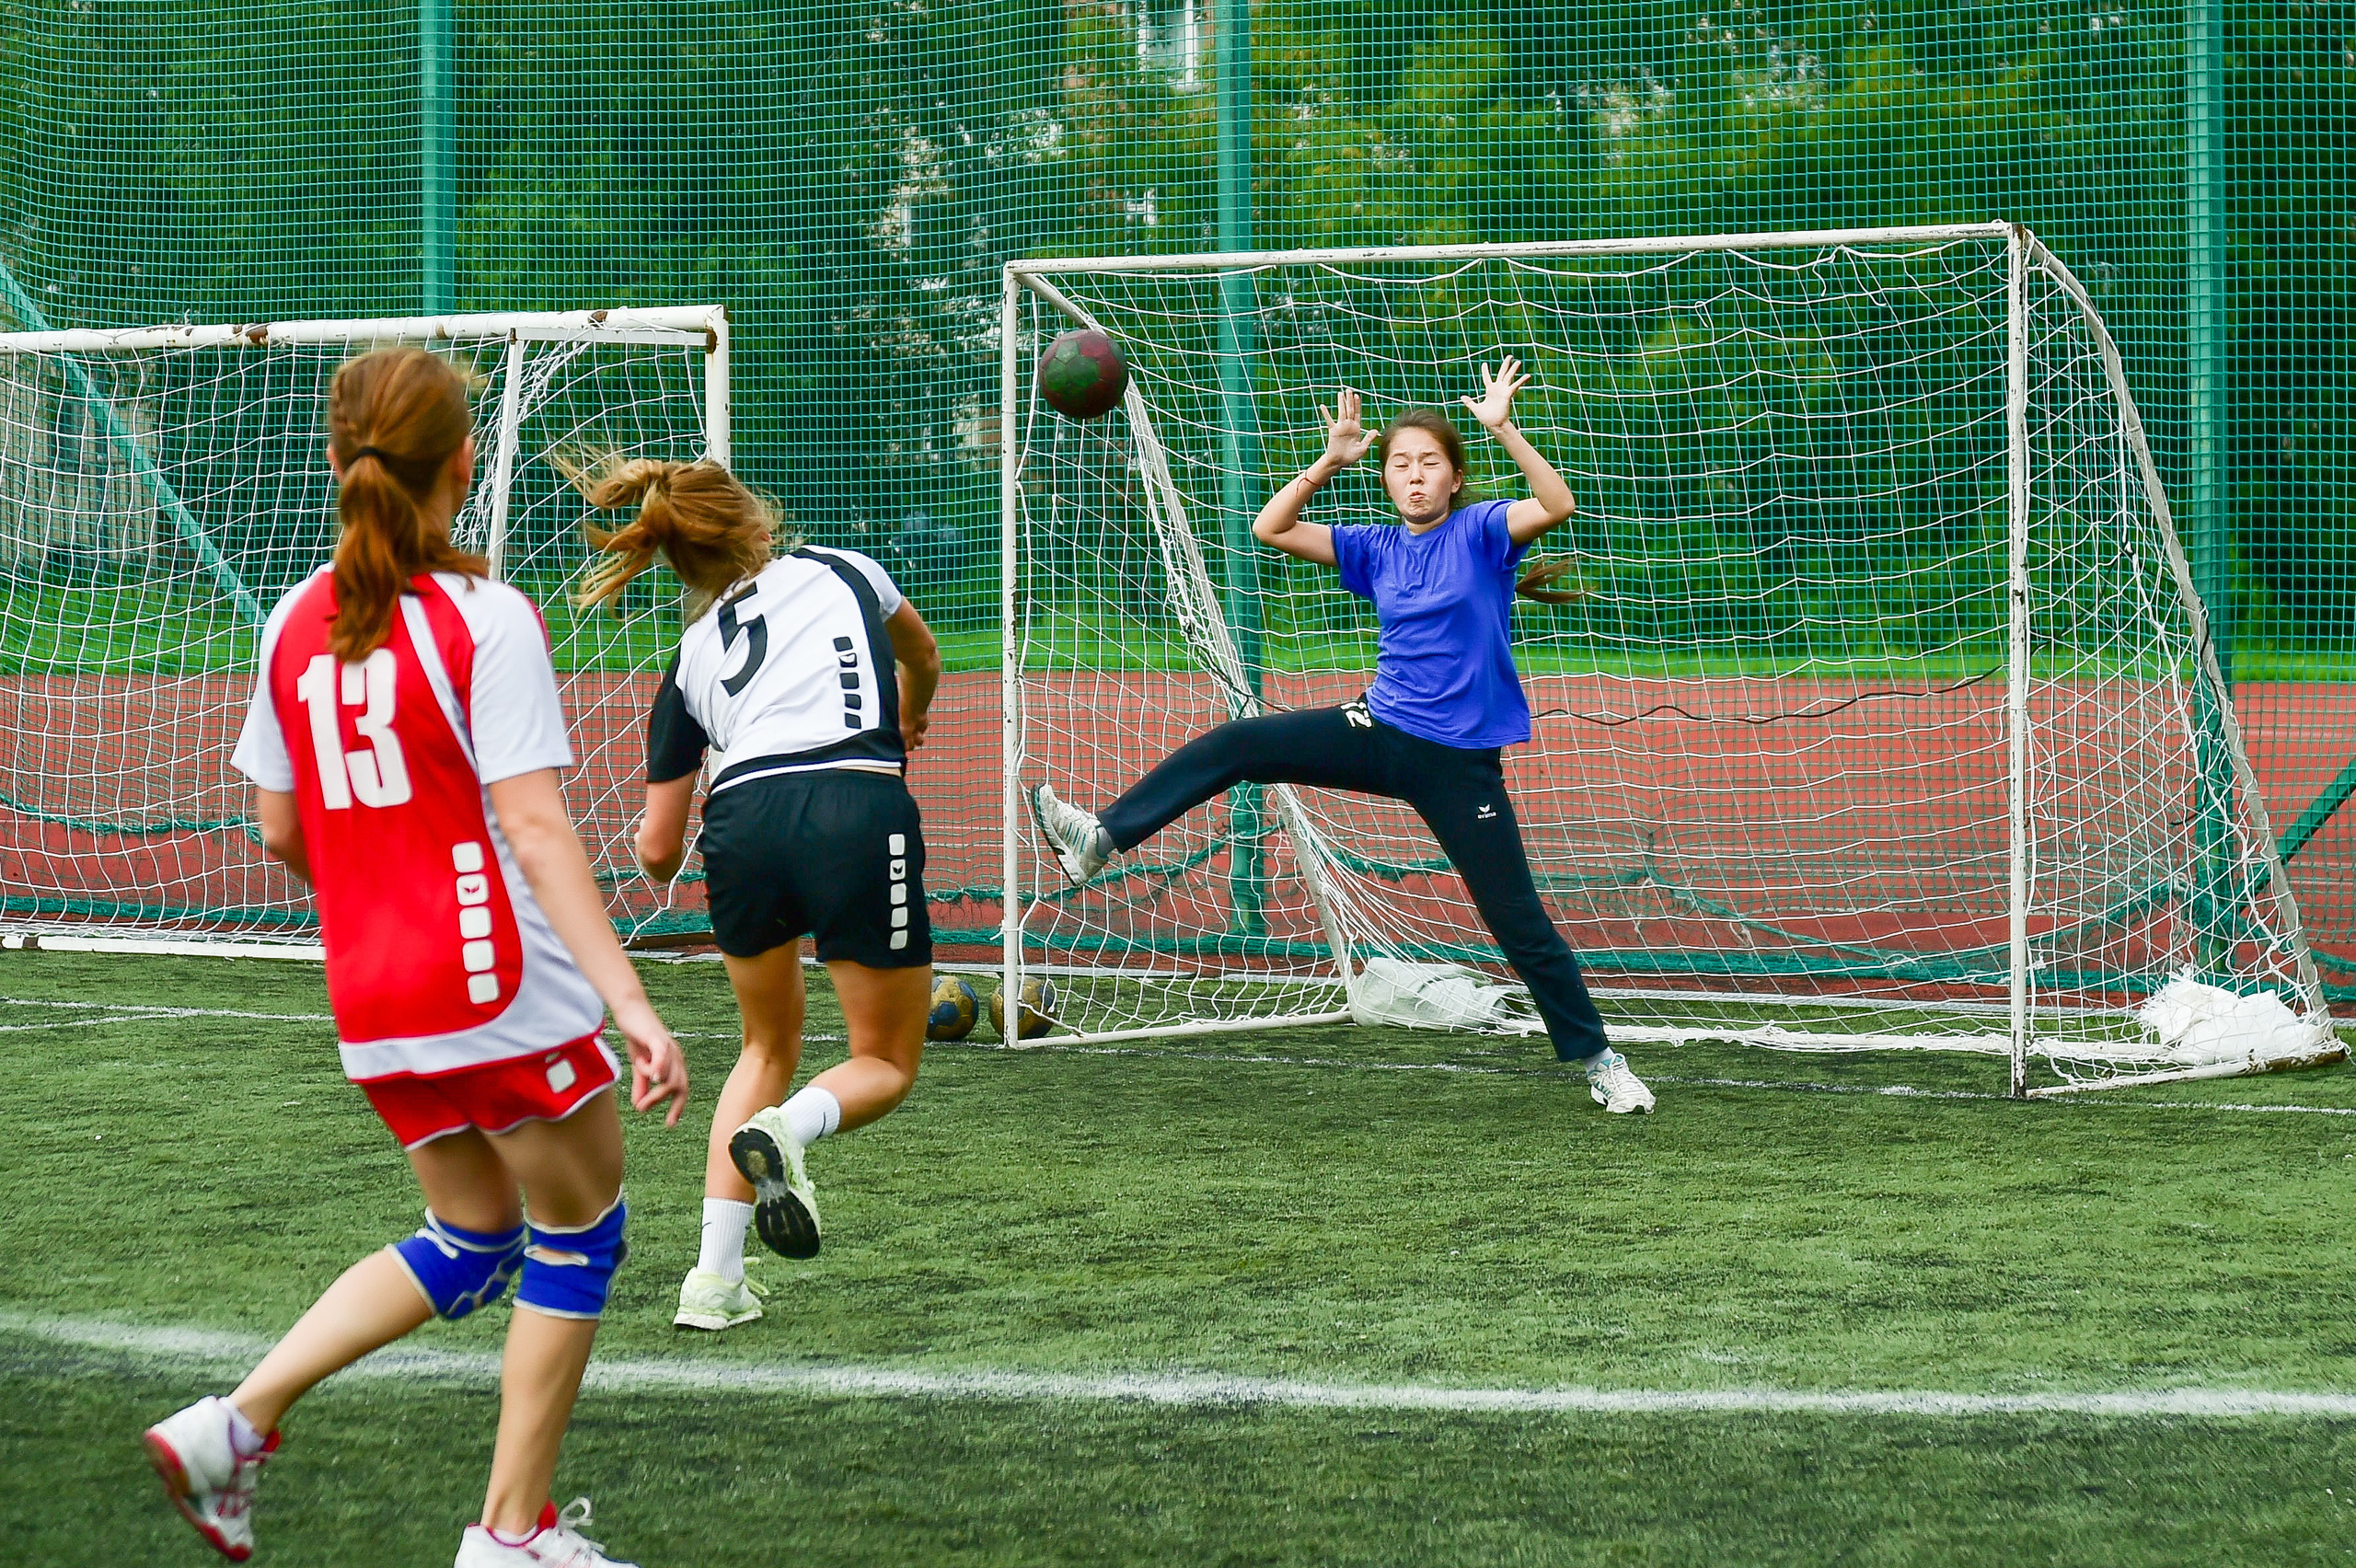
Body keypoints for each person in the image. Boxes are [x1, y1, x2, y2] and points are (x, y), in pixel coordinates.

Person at [142, 347, 691, 1568]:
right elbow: (538, 828)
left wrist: (382, 896)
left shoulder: (295, 618)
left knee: (478, 1234)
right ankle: (510, 1537)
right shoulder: (483, 618)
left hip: (372, 989)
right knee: (580, 1234)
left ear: (337, 462)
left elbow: (282, 829)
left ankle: (236, 1424)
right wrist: (633, 1003)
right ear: (462, 462)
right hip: (490, 977)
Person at [1031, 359, 1655, 1114]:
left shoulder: (1484, 532)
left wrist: (1503, 428)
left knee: (1517, 922)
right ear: (1387, 479)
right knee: (1243, 742)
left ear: (1455, 479)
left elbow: (1556, 502)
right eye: (1401, 465)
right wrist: (1330, 459)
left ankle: (1599, 1062)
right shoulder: (1376, 548)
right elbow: (1272, 527)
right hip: (1379, 729)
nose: (1415, 476)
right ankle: (1101, 837)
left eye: (1430, 464)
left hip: (1458, 764)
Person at [569, 459, 941, 1331]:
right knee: (883, 1061)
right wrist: (909, 712)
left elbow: (657, 850)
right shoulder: (847, 570)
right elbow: (917, 654)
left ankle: (713, 1281)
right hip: (855, 801)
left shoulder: (690, 657)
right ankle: (793, 1132)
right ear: (758, 525)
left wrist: (709, 820)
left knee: (763, 1046)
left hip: (738, 825)